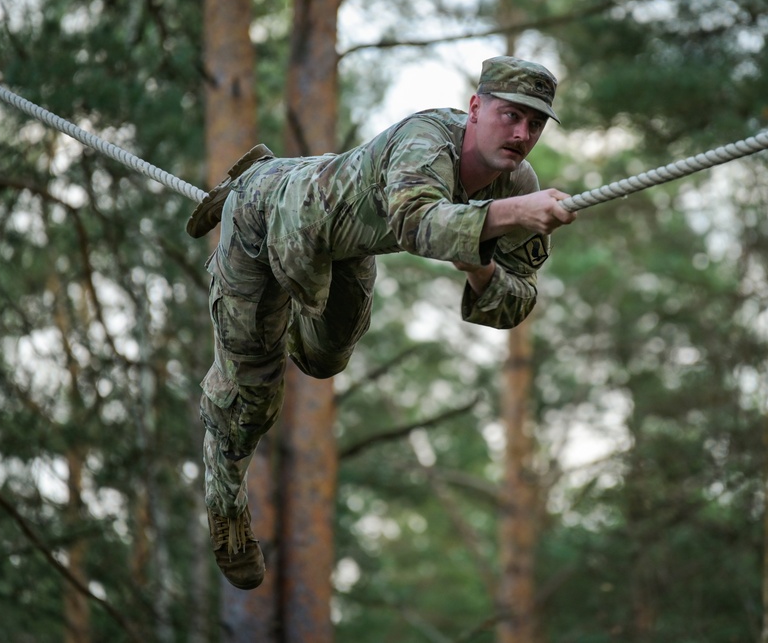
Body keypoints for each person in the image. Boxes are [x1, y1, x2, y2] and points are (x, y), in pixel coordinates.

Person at [186, 56, 578, 590]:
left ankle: (284, 301)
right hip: (265, 220)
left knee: (325, 360)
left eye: (534, 124)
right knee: (253, 388)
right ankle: (226, 503)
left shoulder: (517, 185)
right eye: (511, 115)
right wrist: (508, 216)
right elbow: (417, 222)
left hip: (347, 242)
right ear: (476, 108)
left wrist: (482, 265)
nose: (521, 133)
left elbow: (517, 299)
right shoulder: (428, 139)